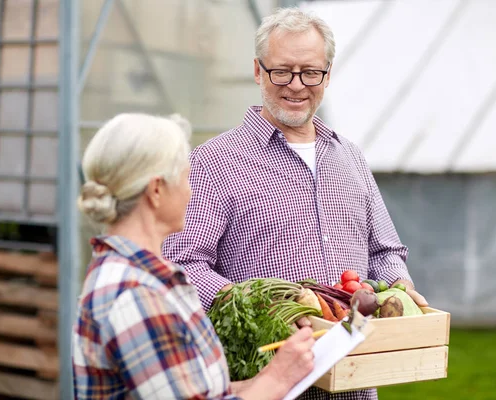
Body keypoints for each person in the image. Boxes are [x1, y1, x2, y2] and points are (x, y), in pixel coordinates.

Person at [163, 7, 428, 400]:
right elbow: (182, 265)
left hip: (354, 384)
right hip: (267, 384)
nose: (297, 85)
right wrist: (262, 308)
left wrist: (398, 289)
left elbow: (385, 249)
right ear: (258, 71)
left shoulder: (350, 157)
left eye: (310, 72)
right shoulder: (213, 162)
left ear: (328, 74)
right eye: (282, 71)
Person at [72, 113, 317, 400]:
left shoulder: (139, 275)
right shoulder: (138, 295)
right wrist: (278, 378)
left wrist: (258, 382)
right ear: (156, 190)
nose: (190, 192)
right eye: (187, 178)